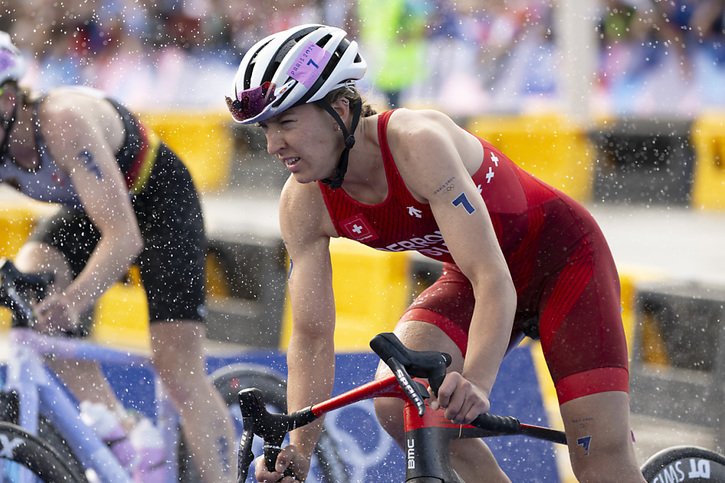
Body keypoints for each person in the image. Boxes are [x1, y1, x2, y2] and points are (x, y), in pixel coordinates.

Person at [226, 23, 645, 482]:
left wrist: (478, 385)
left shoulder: (415, 143)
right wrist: (300, 446)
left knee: (598, 461)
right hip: (473, 278)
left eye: (286, 123)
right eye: (266, 128)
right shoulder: (303, 202)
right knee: (400, 401)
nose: (272, 145)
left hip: (563, 263)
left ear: (340, 110)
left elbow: (493, 277)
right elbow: (311, 336)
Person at [0, 31, 234, 481]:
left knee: (177, 367)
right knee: (31, 294)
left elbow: (124, 237)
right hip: (89, 210)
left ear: (9, 100)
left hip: (158, 202)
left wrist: (74, 301)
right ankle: (122, 436)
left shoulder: (61, 120)